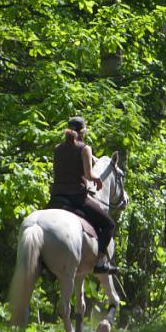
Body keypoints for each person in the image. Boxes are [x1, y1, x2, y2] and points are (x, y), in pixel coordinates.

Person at [48, 116, 118, 274]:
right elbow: (88, 175)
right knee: (109, 224)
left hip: (56, 197)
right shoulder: (84, 148)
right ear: (82, 132)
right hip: (76, 197)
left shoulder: (57, 148)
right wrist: (97, 179)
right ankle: (100, 261)